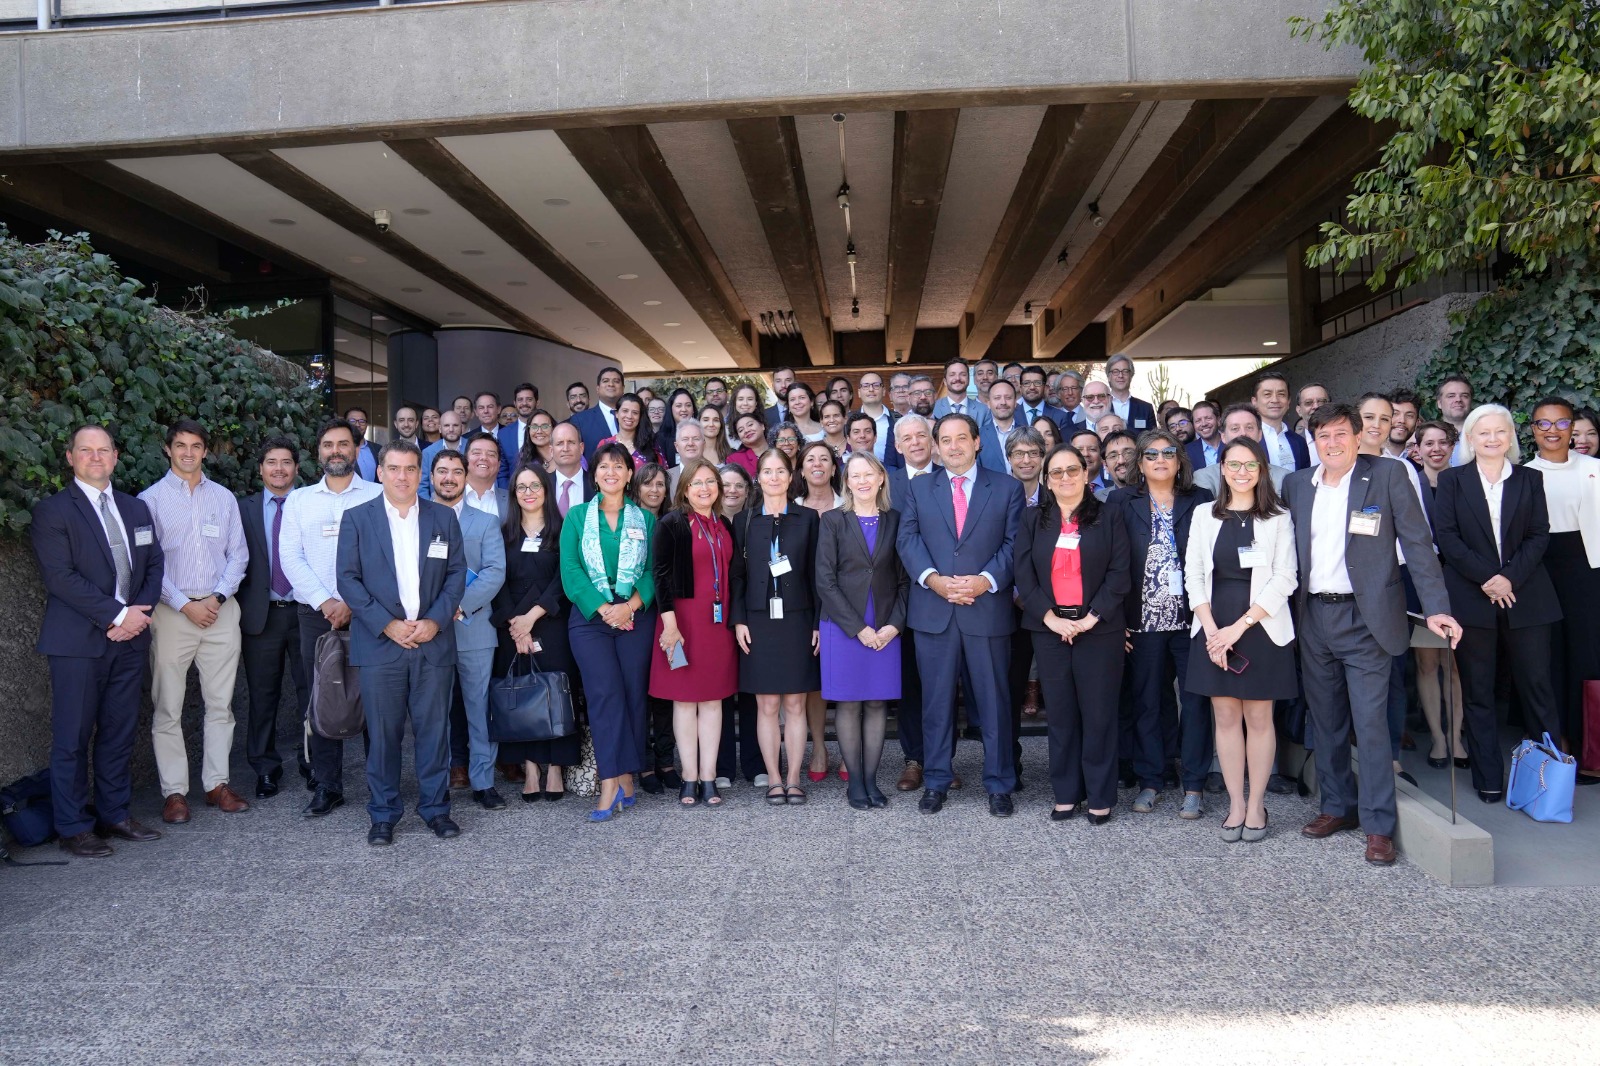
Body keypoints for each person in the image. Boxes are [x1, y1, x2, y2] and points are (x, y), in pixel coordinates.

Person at [1283, 404, 1458, 867]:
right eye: (1323, 436)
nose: (1332, 443)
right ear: (1311, 441)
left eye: (1341, 434)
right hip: (1314, 617)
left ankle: (1378, 824)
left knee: (1371, 723)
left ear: (1359, 437)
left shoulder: (1388, 475)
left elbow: (1419, 544)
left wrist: (1437, 608)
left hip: (1369, 619)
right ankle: (1337, 807)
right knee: (1327, 721)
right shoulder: (1297, 485)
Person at [33, 425, 166, 857]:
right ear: (70, 457)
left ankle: (115, 815)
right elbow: (60, 578)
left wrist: (137, 615)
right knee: (72, 736)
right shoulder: (53, 512)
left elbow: (154, 565)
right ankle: (73, 827)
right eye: (85, 451)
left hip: (129, 641)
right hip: (77, 644)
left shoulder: (135, 508)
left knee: (119, 731)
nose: (95, 457)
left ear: (115, 455)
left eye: (103, 450)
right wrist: (117, 615)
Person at [336, 440, 467, 846]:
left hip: (432, 642)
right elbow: (348, 580)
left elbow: (457, 575)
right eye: (394, 468)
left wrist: (434, 621)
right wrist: (387, 624)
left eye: (410, 469)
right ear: (380, 472)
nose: (402, 476)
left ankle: (435, 809)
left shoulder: (443, 518)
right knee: (383, 734)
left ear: (420, 475)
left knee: (434, 732)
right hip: (380, 645)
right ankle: (384, 814)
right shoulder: (357, 518)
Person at [1433, 404, 1564, 803]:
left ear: (1511, 437)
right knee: (1477, 690)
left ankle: (1547, 781)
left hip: (1527, 596)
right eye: (1483, 432)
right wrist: (1488, 580)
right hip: (1472, 599)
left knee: (1537, 687)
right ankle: (1489, 778)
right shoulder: (1452, 481)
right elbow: (1448, 538)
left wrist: (1508, 577)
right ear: (1470, 439)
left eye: (1500, 432)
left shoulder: (1530, 478)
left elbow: (1539, 535)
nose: (1492, 439)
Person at [897, 413, 1026, 816]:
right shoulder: (919, 488)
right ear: (937, 446)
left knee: (994, 702)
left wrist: (985, 580)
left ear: (977, 442)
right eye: (945, 440)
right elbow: (908, 538)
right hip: (934, 610)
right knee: (935, 703)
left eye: (961, 439)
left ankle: (1000, 783)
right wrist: (933, 580)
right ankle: (936, 781)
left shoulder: (1006, 488)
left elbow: (1014, 543)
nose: (953, 447)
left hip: (985, 609)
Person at [1184, 437, 1298, 840]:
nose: (1242, 472)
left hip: (1261, 628)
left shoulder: (1279, 516)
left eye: (1250, 465)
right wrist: (1212, 628)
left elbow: (1287, 577)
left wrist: (1239, 626)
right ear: (1222, 469)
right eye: (1234, 464)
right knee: (1226, 717)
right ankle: (1235, 803)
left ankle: (1256, 804)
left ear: (1262, 469)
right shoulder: (1203, 515)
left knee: (1259, 718)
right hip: (1213, 628)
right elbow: (1193, 574)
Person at [139, 419, 250, 823]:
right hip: (172, 614)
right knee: (167, 705)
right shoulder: (148, 500)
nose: (188, 452)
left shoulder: (223, 498)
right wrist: (186, 604)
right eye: (180, 445)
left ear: (206, 451)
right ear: (168, 449)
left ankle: (216, 784)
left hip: (221, 612)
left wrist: (217, 597)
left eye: (196, 446)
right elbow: (149, 564)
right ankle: (174, 793)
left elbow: (238, 554)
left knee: (221, 704)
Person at [1015, 442, 1130, 823]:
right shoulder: (1033, 519)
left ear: (1086, 473)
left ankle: (1099, 795)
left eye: (1072, 470)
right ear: (1047, 480)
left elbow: (1119, 572)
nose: (1065, 478)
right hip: (1049, 629)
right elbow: (1023, 574)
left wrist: (1091, 618)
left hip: (1098, 628)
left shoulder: (1110, 515)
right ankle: (1066, 792)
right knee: (1061, 715)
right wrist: (1050, 618)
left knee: (1098, 714)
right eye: (1057, 472)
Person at [278, 419, 382, 817]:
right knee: (320, 700)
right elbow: (291, 557)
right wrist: (327, 601)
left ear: (357, 450)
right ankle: (327, 785)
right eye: (327, 445)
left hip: (372, 615)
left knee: (376, 701)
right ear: (317, 452)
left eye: (343, 444)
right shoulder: (300, 500)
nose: (335, 450)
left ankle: (380, 784)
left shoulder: (377, 495)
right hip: (316, 615)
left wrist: (353, 602)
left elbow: (384, 558)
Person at [1112, 430, 1214, 820]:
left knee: (1195, 703)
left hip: (1193, 620)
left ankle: (1194, 784)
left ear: (1179, 460)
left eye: (1167, 453)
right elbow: (1115, 562)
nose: (1159, 459)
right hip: (1144, 622)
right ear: (1139, 463)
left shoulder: (1201, 500)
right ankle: (1151, 779)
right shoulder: (1122, 502)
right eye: (1150, 454)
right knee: (1148, 703)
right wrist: (1117, 618)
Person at [560, 443, 657, 821]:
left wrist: (629, 606)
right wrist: (604, 610)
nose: (611, 472)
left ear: (629, 474)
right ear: (595, 474)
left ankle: (627, 774)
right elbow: (570, 569)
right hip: (590, 620)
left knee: (633, 695)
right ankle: (609, 781)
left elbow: (651, 572)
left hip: (634, 615)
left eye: (619, 466)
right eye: (604, 466)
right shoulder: (577, 517)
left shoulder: (645, 520)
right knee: (603, 696)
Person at [817, 452, 908, 810]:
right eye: (855, 475)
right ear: (847, 482)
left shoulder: (896, 520)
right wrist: (858, 629)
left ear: (881, 478)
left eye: (868, 473)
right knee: (850, 702)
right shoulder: (832, 521)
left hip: (886, 626)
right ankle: (855, 783)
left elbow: (905, 581)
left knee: (876, 702)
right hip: (843, 625)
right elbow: (824, 581)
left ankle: (872, 781)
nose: (862, 480)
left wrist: (893, 626)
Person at [732, 449, 823, 804]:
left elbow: (818, 575)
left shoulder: (809, 517)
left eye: (779, 471)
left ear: (791, 476)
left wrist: (818, 621)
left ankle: (794, 777)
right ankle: (773, 778)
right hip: (757, 620)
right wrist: (738, 619)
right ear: (759, 478)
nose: (773, 477)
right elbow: (736, 577)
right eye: (766, 471)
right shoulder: (744, 519)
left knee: (796, 704)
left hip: (798, 619)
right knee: (767, 704)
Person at [648, 458, 738, 807]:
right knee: (685, 702)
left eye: (710, 482)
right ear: (684, 488)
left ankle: (709, 777)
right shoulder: (673, 523)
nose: (705, 488)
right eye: (697, 482)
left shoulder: (723, 525)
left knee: (714, 701)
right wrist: (670, 624)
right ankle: (688, 778)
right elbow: (660, 574)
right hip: (681, 623)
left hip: (717, 624)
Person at [428, 449, 509, 811]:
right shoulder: (415, 519)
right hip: (428, 631)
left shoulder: (486, 522)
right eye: (441, 471)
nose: (448, 477)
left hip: (472, 627)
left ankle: (483, 781)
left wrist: (458, 606)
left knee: (479, 709)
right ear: (430, 477)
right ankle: (437, 782)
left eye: (455, 471)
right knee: (433, 713)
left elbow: (494, 571)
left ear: (465, 477)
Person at [493, 464, 580, 802]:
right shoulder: (503, 533)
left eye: (535, 486)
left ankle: (556, 767)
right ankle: (530, 767)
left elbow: (565, 577)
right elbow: (496, 579)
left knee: (555, 692)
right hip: (512, 628)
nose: (528, 492)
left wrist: (532, 616)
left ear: (546, 489)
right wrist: (516, 625)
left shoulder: (564, 530)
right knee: (523, 696)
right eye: (521, 487)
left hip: (552, 622)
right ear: (514, 494)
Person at [1526, 398, 1600, 777]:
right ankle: (1557, 744)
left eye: (1561, 423)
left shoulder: (1594, 468)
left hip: (1588, 569)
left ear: (1573, 427)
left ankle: (1591, 749)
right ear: (1532, 429)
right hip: (1539, 569)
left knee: (1587, 656)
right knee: (1547, 656)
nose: (1552, 431)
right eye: (1543, 424)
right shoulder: (1522, 474)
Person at [236, 435, 310, 799]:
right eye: (271, 462)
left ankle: (314, 763)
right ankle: (265, 769)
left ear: (296, 468)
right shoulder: (242, 508)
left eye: (285, 462)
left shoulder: (310, 503)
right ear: (261, 468)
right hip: (261, 615)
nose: (278, 469)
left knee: (312, 693)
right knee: (262, 696)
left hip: (306, 612)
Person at [1412, 420, 1468, 768]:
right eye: (1427, 443)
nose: (1435, 449)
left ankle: (1458, 736)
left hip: (1460, 582)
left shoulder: (1465, 482)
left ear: (1452, 446)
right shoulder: (1409, 484)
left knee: (1456, 664)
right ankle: (1437, 738)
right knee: (1427, 663)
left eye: (1442, 442)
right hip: (1422, 585)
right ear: (1417, 449)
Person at [794, 440, 843, 779]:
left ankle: (848, 747)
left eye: (824, 459)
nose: (817, 464)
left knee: (844, 677)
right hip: (804, 603)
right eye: (810, 459)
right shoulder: (792, 506)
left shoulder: (850, 503)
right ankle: (819, 747)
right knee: (813, 680)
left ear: (834, 468)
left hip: (846, 602)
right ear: (801, 469)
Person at [1192, 405, 1289, 495]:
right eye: (1235, 428)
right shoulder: (1205, 478)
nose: (1243, 433)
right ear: (1223, 437)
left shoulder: (1282, 477)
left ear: (1260, 435)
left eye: (1249, 427)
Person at [1253, 373, 1311, 471]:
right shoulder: (1247, 439)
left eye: (1281, 394)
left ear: (1288, 402)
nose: (1275, 400)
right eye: (1267, 394)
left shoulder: (1299, 442)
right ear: (1254, 402)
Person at [571, 366, 627, 465]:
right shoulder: (580, 420)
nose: (611, 384)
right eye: (605, 381)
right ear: (597, 389)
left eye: (616, 381)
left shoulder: (634, 417)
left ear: (623, 389)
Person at [597, 393, 664, 471]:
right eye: (625, 411)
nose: (629, 416)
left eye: (635, 413)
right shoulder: (605, 444)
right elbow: (597, 475)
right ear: (617, 414)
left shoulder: (651, 444)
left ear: (640, 416)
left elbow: (662, 475)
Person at [854, 370, 901, 467]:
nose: (871, 389)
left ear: (883, 391)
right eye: (866, 386)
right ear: (859, 392)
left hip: (892, 477)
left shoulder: (898, 420)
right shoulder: (849, 421)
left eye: (876, 385)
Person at [549, 422, 593, 518]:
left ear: (581, 448)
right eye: (559, 443)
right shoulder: (542, 484)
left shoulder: (596, 484)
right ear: (551, 451)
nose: (565, 448)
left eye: (571, 442)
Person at [933, 359, 993, 429]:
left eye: (963, 374)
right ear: (945, 381)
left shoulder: (984, 411)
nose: (957, 378)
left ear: (968, 379)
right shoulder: (933, 408)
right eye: (952, 374)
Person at [1104, 354, 1156, 432]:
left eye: (1125, 371)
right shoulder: (1101, 406)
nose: (1120, 375)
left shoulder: (1146, 408)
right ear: (1108, 377)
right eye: (1115, 372)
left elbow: (1152, 439)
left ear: (1131, 375)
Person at [461, 433, 509, 519]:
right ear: (465, 460)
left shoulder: (512, 501)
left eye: (491, 454)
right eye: (477, 453)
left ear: (499, 464)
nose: (484, 458)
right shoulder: (447, 497)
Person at [420, 410, 465, 500]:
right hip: (437, 507)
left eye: (455, 425)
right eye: (446, 425)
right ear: (440, 428)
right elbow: (422, 486)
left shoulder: (473, 448)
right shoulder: (428, 452)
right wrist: (429, 507)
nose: (451, 429)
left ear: (462, 428)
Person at [498, 382, 540, 471]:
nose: (524, 403)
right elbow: (502, 469)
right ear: (515, 403)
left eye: (529, 399)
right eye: (520, 400)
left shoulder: (550, 428)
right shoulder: (503, 434)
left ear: (537, 402)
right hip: (514, 484)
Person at [1435, 376, 1474, 466]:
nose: (1458, 400)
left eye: (1464, 396)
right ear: (1439, 403)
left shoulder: (1482, 437)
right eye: (1451, 396)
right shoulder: (1428, 437)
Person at [1017, 366, 1067, 431]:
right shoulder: (1011, 415)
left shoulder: (1061, 416)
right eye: (1027, 383)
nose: (1032, 387)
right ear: (1020, 388)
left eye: (1037, 383)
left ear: (1045, 387)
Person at [345, 405, 381, 481]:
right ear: (345, 424)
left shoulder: (378, 449)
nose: (357, 425)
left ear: (366, 425)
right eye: (352, 421)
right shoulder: (340, 450)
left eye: (362, 421)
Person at [728, 411, 769, 477]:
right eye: (741, 430)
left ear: (762, 426)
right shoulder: (734, 460)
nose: (746, 430)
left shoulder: (780, 449)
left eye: (750, 425)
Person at [1187, 401, 1222, 470]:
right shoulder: (1187, 451)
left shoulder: (1232, 443)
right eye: (1198, 421)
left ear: (1218, 420)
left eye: (1208, 418)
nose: (1203, 424)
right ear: (1193, 425)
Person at [1388, 389, 1420, 458]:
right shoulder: (1361, 459)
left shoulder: (1417, 466)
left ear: (1417, 423)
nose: (1402, 420)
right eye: (1395, 413)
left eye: (1409, 416)